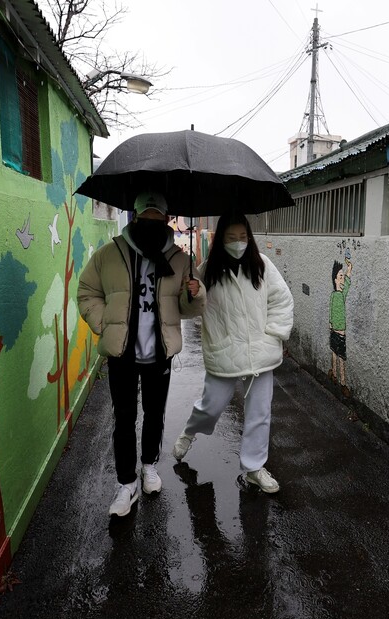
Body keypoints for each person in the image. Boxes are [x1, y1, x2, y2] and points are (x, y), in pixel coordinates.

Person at [77, 192, 204, 517]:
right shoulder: (110, 254)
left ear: (165, 221)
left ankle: (149, 467)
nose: (151, 225)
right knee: (124, 418)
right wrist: (104, 322)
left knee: (154, 414)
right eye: (144, 219)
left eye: (156, 220)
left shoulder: (178, 259)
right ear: (134, 219)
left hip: (159, 353)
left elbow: (188, 309)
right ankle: (125, 483)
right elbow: (87, 290)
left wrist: (194, 292)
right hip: (122, 353)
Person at [171, 214, 294, 494]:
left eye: (242, 237)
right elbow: (189, 311)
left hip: (259, 354)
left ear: (249, 238)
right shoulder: (206, 272)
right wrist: (192, 294)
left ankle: (254, 468)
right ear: (220, 240)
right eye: (231, 238)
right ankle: (190, 431)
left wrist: (273, 334)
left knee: (259, 414)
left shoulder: (262, 265)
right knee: (210, 406)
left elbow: (282, 299)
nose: (238, 243)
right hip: (223, 351)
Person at [328, 255, 352, 397]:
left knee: (341, 357)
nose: (343, 278)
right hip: (333, 330)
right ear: (336, 279)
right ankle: (334, 375)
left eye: (343, 276)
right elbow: (331, 311)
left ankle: (343, 383)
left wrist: (349, 269)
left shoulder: (342, 294)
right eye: (341, 276)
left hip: (341, 332)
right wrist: (330, 325)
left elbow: (348, 283)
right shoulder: (334, 295)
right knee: (334, 353)